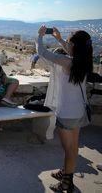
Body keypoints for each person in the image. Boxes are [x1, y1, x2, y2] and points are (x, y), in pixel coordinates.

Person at [37, 26, 93, 192]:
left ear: (75, 46)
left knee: (69, 150)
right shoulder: (84, 60)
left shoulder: (67, 62)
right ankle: (66, 173)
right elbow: (70, 51)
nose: (67, 45)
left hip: (66, 113)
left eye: (69, 42)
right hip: (78, 111)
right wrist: (59, 39)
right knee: (73, 147)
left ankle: (66, 184)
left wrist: (40, 36)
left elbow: (43, 53)